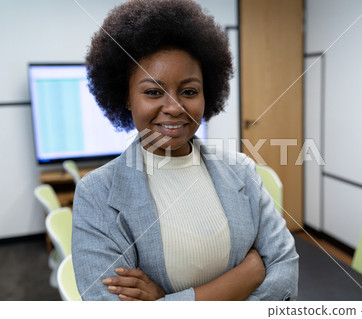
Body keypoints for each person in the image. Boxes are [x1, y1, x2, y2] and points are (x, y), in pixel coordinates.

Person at [72, 0, 299, 301]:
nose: (174, 107)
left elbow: (284, 268)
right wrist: (248, 275)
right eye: (153, 92)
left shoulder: (241, 169)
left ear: (208, 94)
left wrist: (165, 301)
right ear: (126, 98)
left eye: (189, 91)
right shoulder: (96, 195)